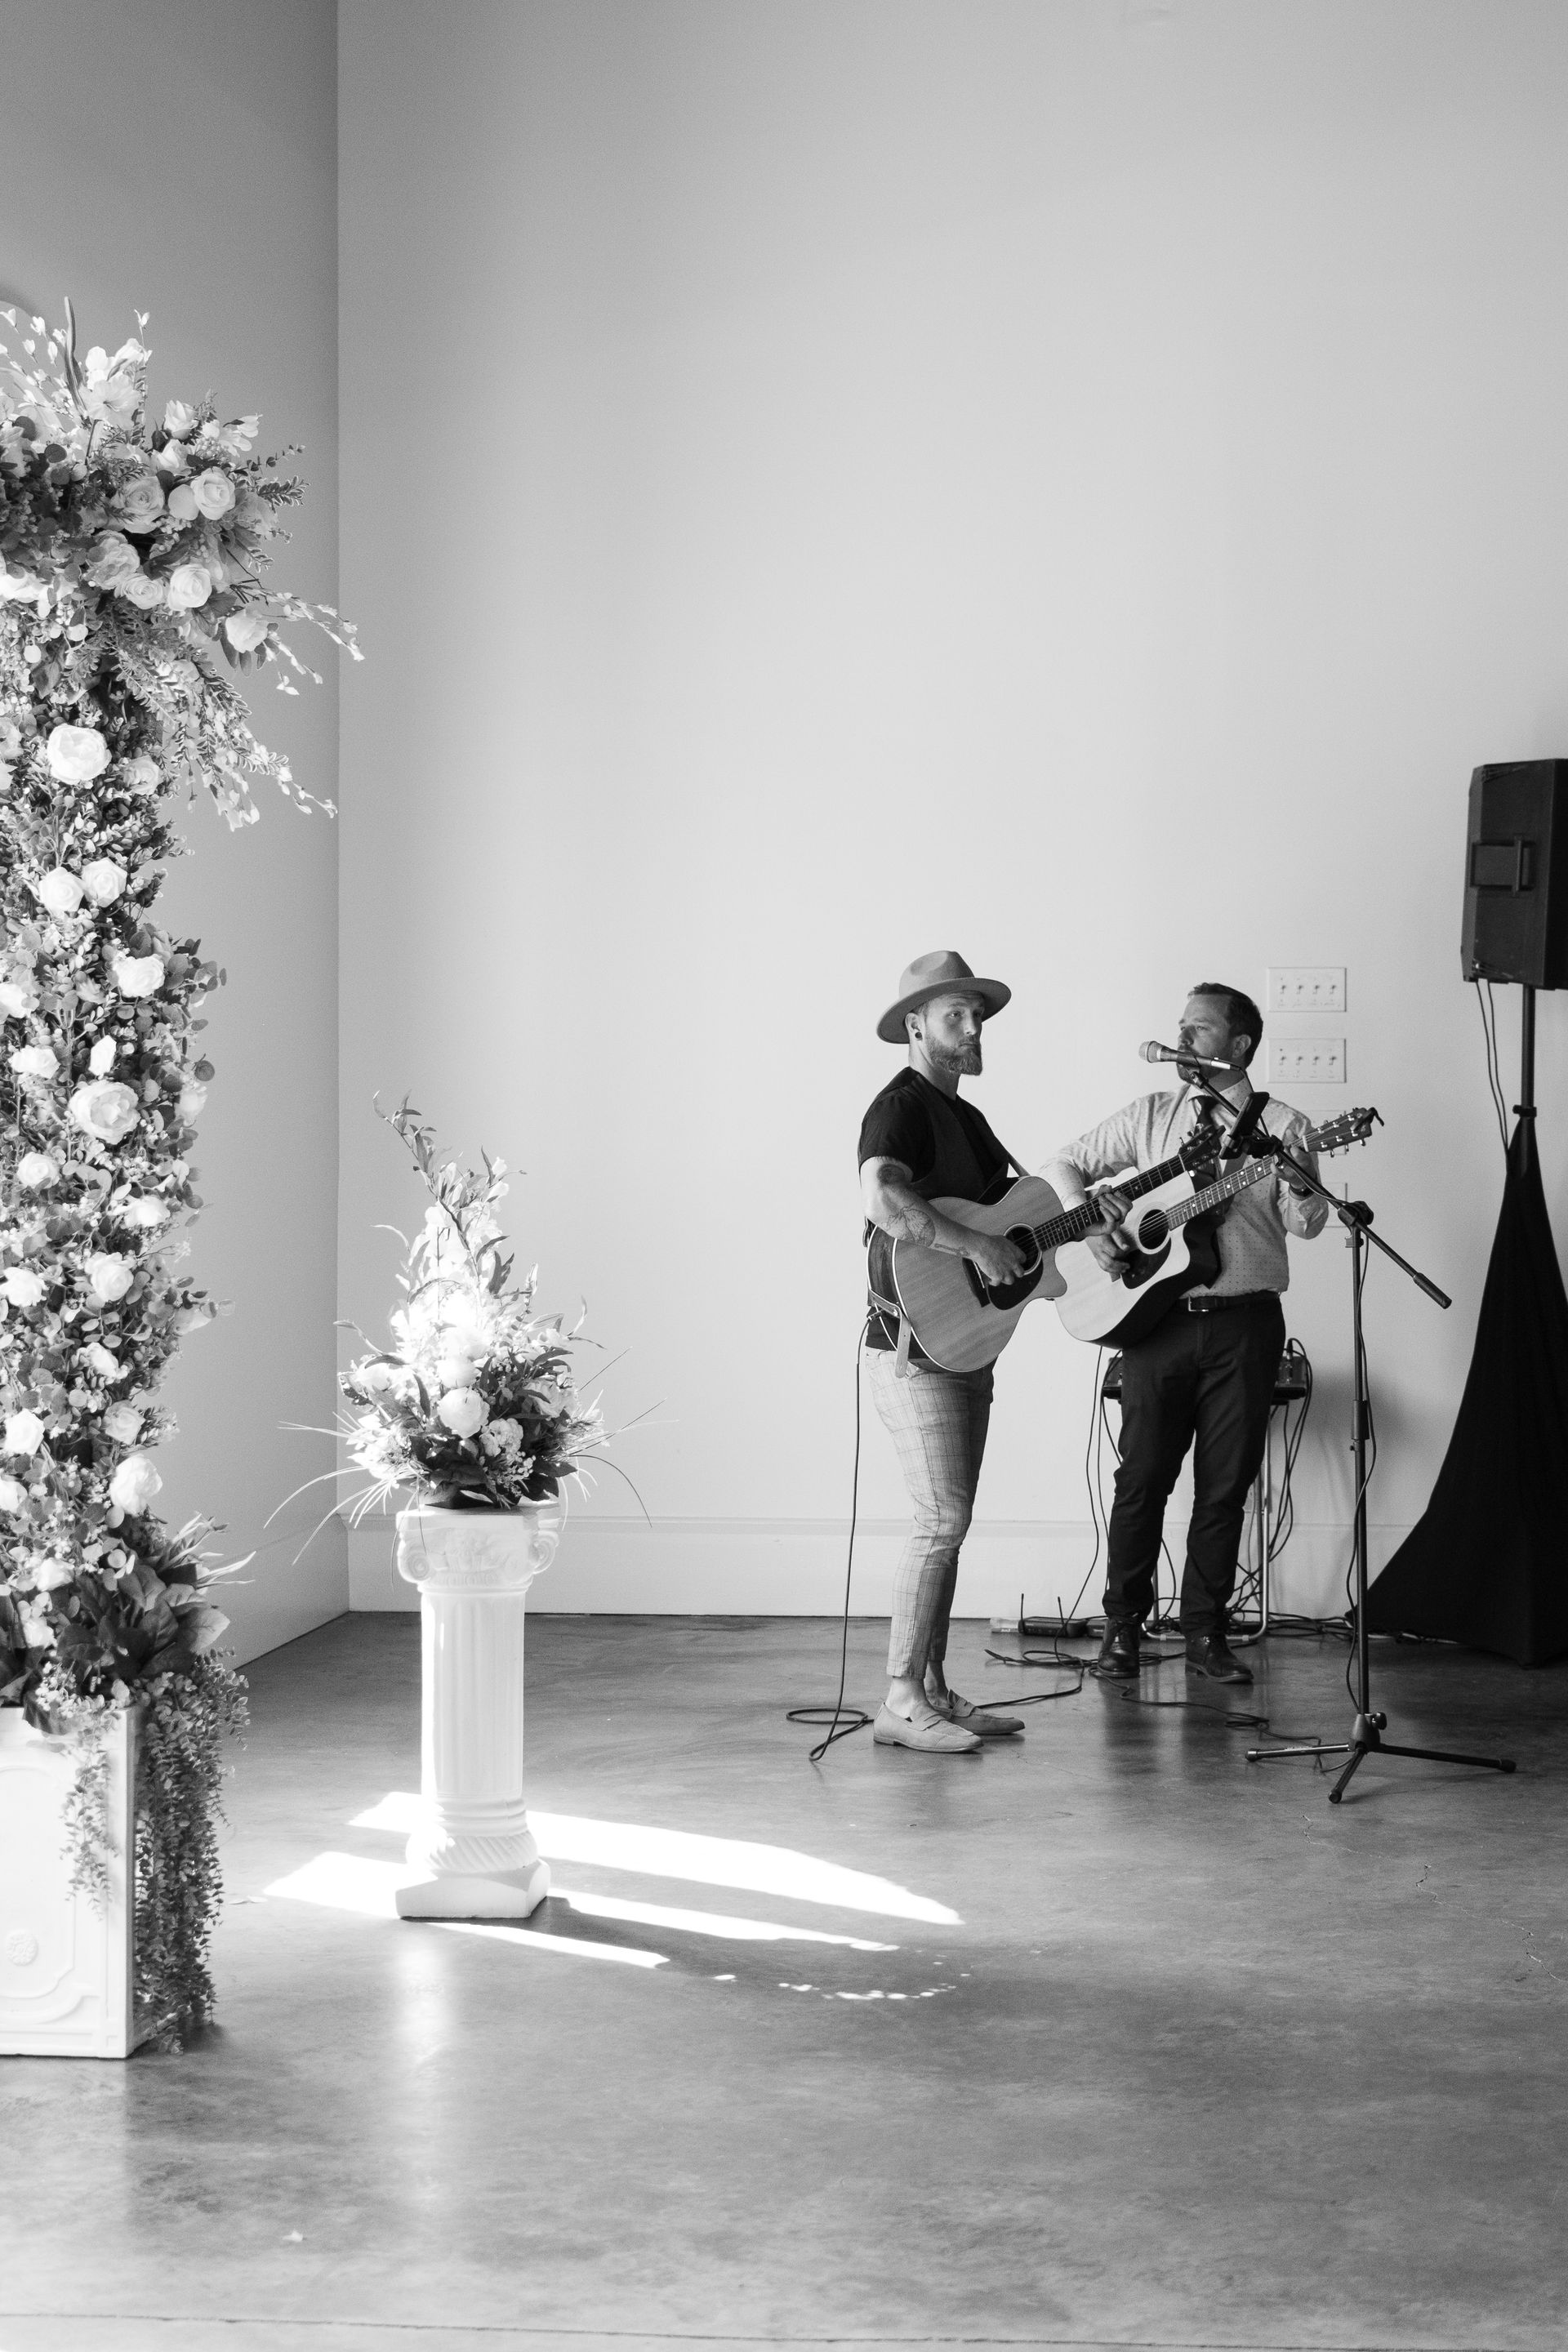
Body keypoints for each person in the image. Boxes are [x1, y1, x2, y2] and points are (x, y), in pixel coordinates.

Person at [1041, 982, 1330, 1686]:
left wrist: (1295, 1174)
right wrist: (1095, 1222)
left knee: (1225, 1487)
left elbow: (1310, 1224)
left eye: (1198, 1030)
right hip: (1155, 1326)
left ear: (1239, 1047)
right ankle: (1121, 1631)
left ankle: (1206, 1633)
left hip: (1246, 1326)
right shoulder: (1150, 1117)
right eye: (1180, 1027)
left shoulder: (1286, 1125)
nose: (1181, 1039)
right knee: (1141, 1480)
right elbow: (1062, 1163)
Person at [857, 949, 1036, 1754]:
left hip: (966, 1342)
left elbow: (1016, 1218)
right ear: (917, 1025)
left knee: (950, 1524)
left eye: (978, 1015)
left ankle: (931, 1688)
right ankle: (898, 1697)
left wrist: (1078, 1221)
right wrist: (973, 1248)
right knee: (940, 1518)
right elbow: (885, 1198)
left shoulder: (967, 1119)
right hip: (908, 1346)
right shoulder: (900, 1107)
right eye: (955, 1015)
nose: (973, 1028)